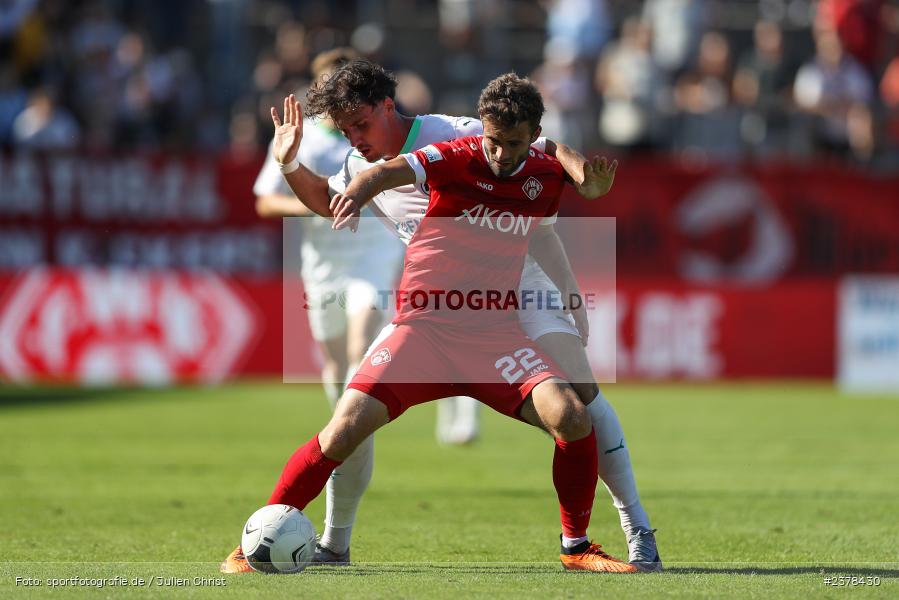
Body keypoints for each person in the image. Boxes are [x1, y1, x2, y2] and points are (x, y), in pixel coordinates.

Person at [224, 60, 661, 573]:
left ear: (388, 107)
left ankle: (632, 529)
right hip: (435, 311)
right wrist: (289, 166)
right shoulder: (360, 160)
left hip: (517, 288)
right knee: (347, 421)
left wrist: (582, 193)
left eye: (361, 125)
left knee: (581, 400)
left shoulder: (458, 135)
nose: (355, 138)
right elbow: (329, 199)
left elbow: (541, 150)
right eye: (345, 131)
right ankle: (326, 543)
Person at [248, 49, 478, 573]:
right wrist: (291, 167)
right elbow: (283, 200)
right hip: (322, 266)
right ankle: (350, 445)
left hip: (376, 262)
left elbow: (511, 146)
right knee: (339, 380)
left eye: (356, 115)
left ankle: (605, 533)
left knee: (357, 362)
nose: (351, 129)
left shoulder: (434, 132)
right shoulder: (320, 141)